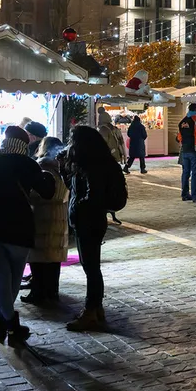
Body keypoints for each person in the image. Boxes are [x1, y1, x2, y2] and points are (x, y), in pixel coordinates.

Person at [0, 126, 55, 346]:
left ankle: (3, 322)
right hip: (19, 229)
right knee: (12, 279)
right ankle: (12, 327)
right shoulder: (28, 164)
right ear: (24, 145)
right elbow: (47, 192)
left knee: (1, 277)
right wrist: (48, 174)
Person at [63, 125, 115, 331]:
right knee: (92, 267)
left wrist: (81, 208)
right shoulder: (94, 162)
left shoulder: (91, 166)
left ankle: (90, 310)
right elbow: (73, 188)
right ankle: (96, 308)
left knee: (91, 267)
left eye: (72, 140)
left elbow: (92, 195)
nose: (70, 144)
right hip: (92, 220)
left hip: (89, 221)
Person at [21, 156, 69, 305]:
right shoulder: (61, 174)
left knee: (38, 259)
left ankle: (38, 293)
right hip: (59, 218)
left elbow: (41, 195)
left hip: (43, 219)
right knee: (54, 260)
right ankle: (52, 291)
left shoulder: (45, 175)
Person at [177, 103, 196, 203]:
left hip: (185, 151)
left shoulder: (182, 122)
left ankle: (185, 194)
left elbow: (179, 137)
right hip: (194, 151)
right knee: (195, 173)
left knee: (185, 173)